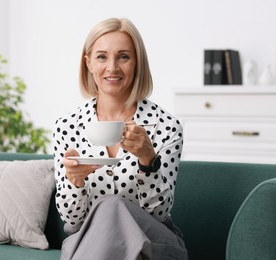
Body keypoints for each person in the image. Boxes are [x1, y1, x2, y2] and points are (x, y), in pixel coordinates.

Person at [53, 17, 187, 260]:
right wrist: (75, 183)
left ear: (137, 63)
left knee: (112, 205)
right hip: (90, 244)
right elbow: (72, 220)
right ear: (89, 63)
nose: (112, 67)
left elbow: (158, 213)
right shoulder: (66, 127)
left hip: (154, 244)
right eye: (102, 57)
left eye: (123, 56)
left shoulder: (165, 126)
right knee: (105, 215)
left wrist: (148, 160)